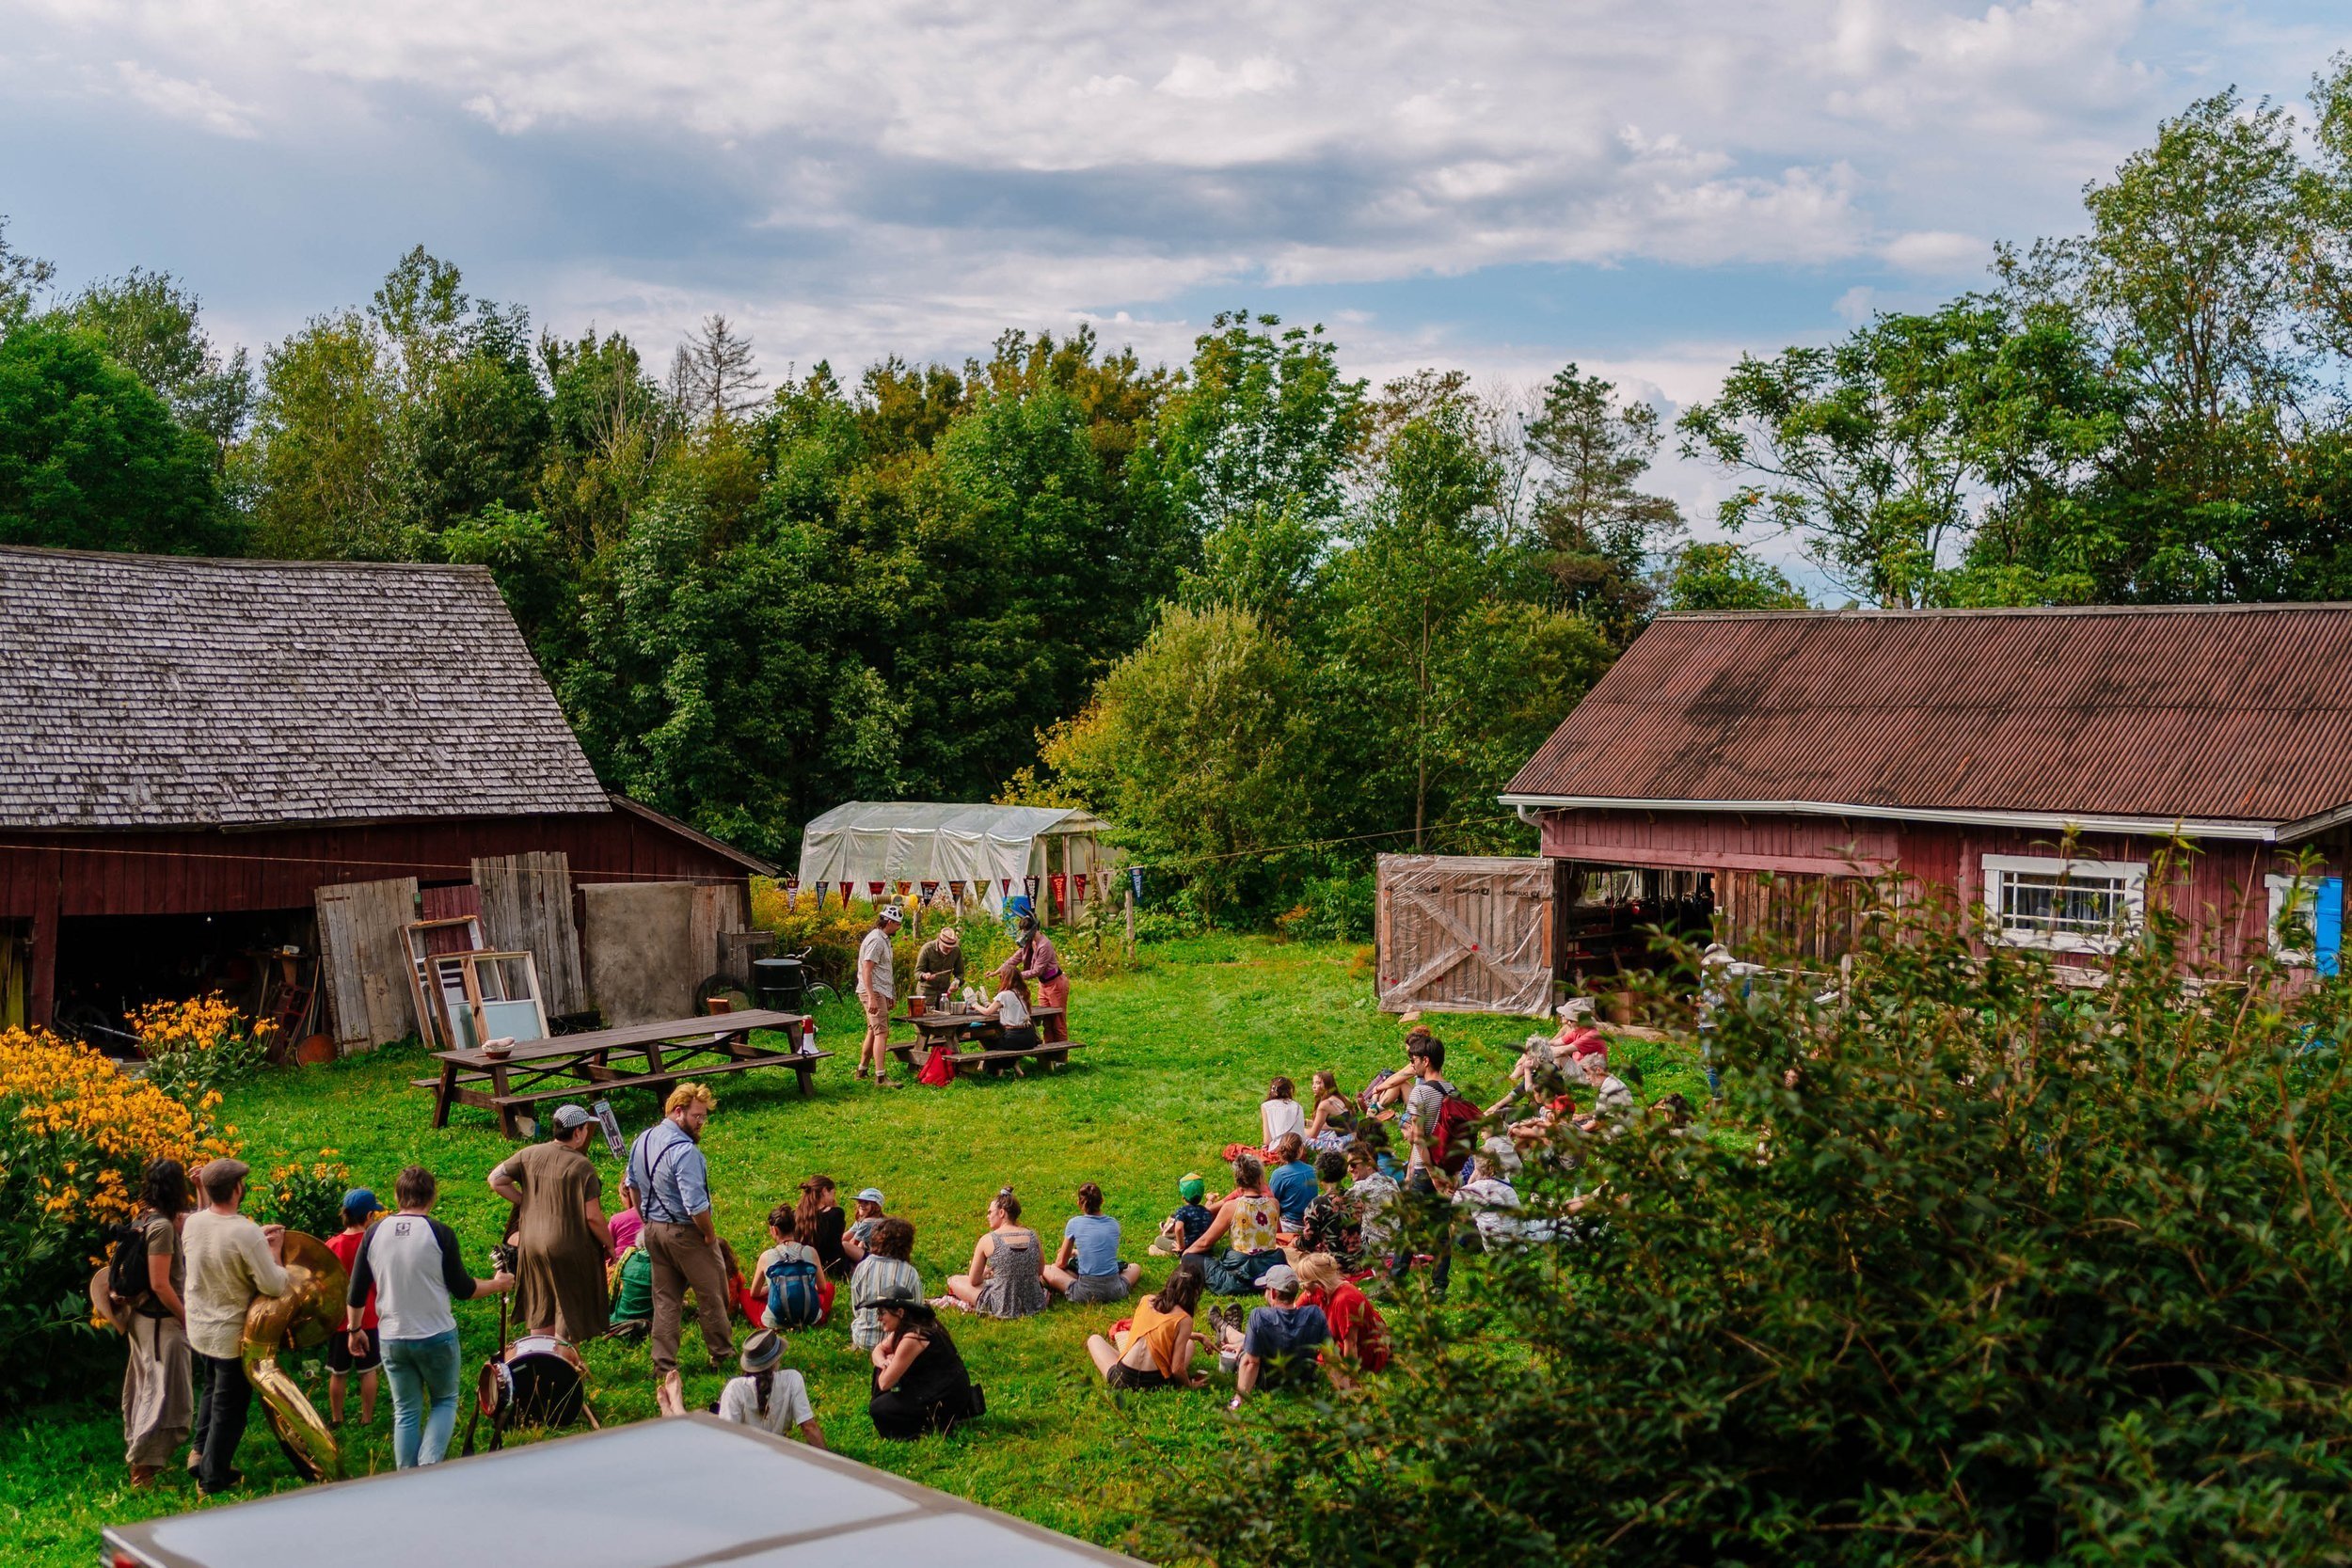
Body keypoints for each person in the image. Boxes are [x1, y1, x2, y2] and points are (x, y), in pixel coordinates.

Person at [344, 1165, 515, 1469]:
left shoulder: (374, 1233)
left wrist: (354, 1329)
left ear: (398, 1197)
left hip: (393, 1336)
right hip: (435, 1334)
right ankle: (429, 1467)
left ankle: (406, 1475)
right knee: (444, 1401)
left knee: (406, 1411)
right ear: (432, 1197)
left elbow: (356, 1291)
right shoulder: (439, 1233)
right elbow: (462, 1289)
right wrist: (497, 1284)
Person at [625, 1083, 733, 1417]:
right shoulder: (685, 1152)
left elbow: (631, 1185)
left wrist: (645, 1219)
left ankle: (664, 1364)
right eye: (697, 1116)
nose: (701, 1123)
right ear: (678, 1111)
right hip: (686, 1232)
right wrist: (709, 1235)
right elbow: (695, 1203)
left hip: (654, 1230)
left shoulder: (643, 1138)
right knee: (712, 1293)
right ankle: (722, 1354)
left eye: (704, 1117)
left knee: (665, 1300)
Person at [183, 1157, 289, 1495]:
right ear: (237, 1189)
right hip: (231, 1335)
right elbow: (274, 1286)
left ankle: (199, 1454)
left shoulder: (194, 1223)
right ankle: (212, 1479)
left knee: (212, 1391)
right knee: (230, 1409)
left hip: (200, 1328)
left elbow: (219, 1240)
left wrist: (257, 1239)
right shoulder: (245, 1232)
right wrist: (274, 1252)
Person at [487, 1103, 612, 1342]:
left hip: (530, 1243)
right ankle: (561, 1361)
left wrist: (527, 1203)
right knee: (568, 1306)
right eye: (585, 1129)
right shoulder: (582, 1166)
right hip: (567, 1247)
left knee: (540, 1303)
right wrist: (610, 1244)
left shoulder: (529, 1153)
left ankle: (539, 1358)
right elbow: (592, 1216)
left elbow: (496, 1180)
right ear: (578, 1132)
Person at [117, 1158, 196, 1488]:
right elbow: (161, 1283)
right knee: (165, 1397)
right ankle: (143, 1469)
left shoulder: (145, 1218)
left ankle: (148, 1462)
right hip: (161, 1324)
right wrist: (186, 1318)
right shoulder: (161, 1226)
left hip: (143, 1321)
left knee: (147, 1389)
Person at [1213, 1263, 1327, 1410]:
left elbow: (1251, 1363)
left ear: (1273, 1292)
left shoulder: (1260, 1316)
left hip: (1267, 1382)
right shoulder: (1315, 1315)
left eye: (1266, 1289)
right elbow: (1331, 1357)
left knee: (1244, 1352)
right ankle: (1227, 1328)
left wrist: (1238, 1400)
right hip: (1302, 1382)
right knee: (1246, 1342)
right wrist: (1346, 1392)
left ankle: (1225, 1328)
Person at [868, 1299, 977, 1438]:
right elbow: (878, 1349)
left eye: (882, 1313)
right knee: (882, 1373)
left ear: (900, 1313)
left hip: (945, 1396)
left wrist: (889, 1362)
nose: (879, 1318)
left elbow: (884, 1383)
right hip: (938, 1388)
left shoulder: (913, 1337)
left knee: (878, 1409)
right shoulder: (914, 1325)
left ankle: (925, 1428)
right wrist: (884, 1361)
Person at [1087, 1268, 1208, 1391]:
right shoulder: (1184, 1319)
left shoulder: (1146, 1300)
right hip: (1155, 1383)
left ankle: (1127, 1361)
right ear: (1195, 1293)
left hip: (1123, 1379)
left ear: (1169, 1283)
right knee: (1190, 1345)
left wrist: (1196, 1335)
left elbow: (1160, 1331)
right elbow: (1177, 1369)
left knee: (1094, 1339)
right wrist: (1189, 1385)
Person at [1183, 1154, 1284, 1295]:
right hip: (1268, 1267)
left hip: (1239, 1273)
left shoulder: (1232, 1207)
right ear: (1260, 1178)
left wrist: (1186, 1253)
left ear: (1238, 1183)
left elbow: (1206, 1242)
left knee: (1190, 1258)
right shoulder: (1274, 1204)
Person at [323, 1188, 382, 1430]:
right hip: (368, 1319)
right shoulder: (373, 1243)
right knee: (368, 1371)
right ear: (368, 1216)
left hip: (339, 1319)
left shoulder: (332, 1244)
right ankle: (366, 1418)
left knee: (338, 1373)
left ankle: (337, 1418)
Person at [944, 1189, 1046, 1319]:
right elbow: (1040, 1271)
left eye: (990, 1212)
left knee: (954, 1280)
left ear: (1002, 1212)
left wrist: (985, 1274)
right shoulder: (1033, 1235)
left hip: (1002, 1306)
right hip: (1034, 1303)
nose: (988, 1216)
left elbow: (974, 1281)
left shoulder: (987, 1239)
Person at [713, 1328, 826, 1446]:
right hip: (778, 1456)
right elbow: (809, 1428)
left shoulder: (735, 1388)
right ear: (776, 1361)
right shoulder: (792, 1379)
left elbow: (727, 1437)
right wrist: (827, 1461)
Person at [1293, 1251, 1389, 1386]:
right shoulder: (1317, 1291)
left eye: (1304, 1281)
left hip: (1363, 1352)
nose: (1301, 1286)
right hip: (1339, 1346)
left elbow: (1352, 1344)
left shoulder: (1345, 1300)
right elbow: (1293, 1311)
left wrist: (1352, 1382)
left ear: (1319, 1281)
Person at [1045, 1182, 1142, 1304]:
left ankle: (1076, 1281)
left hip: (1085, 1293)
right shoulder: (1114, 1224)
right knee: (1135, 1267)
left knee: (1048, 1269)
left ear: (1079, 1203)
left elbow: (1060, 1263)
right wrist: (1076, 1252)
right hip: (1115, 1290)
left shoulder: (1074, 1223)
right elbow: (1101, 1250)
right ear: (1102, 1201)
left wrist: (1066, 1256)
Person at [849, 1216, 924, 1351]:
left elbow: (857, 1306)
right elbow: (917, 1311)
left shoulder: (862, 1266)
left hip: (863, 1337)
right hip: (897, 1342)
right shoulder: (909, 1272)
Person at [755, 1204, 833, 1329]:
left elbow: (755, 1293)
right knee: (830, 1287)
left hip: (777, 1319)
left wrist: (772, 1287)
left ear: (774, 1230)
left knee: (744, 1294)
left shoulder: (766, 1256)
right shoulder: (810, 1252)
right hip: (810, 1317)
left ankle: (776, 1323)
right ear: (794, 1227)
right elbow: (822, 1288)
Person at [856, 904, 906, 1086]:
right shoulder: (876, 940)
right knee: (882, 1032)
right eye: (898, 925)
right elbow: (867, 968)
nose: (899, 928)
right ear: (890, 922)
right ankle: (880, 1077)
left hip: (880, 991)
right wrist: (871, 996)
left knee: (873, 1030)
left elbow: (884, 970)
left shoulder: (883, 939)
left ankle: (862, 1070)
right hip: (873, 990)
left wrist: (889, 994)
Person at [1289, 1150, 1361, 1267]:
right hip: (1356, 1261)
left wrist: (1294, 1243)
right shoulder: (1356, 1198)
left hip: (1329, 1264)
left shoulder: (1318, 1203)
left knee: (1287, 1253)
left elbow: (1309, 1240)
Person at [1344, 1145, 1402, 1272]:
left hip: (1376, 1252)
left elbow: (1330, 1208)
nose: (1349, 1169)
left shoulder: (1360, 1189)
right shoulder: (1390, 1181)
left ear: (1369, 1164)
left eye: (1353, 1164)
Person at [1451, 1154, 1526, 1250]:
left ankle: (1469, 1243)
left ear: (1476, 1170)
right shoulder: (1506, 1182)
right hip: (1518, 1243)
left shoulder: (1473, 1188)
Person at [1016, 915, 1070, 1041]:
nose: (1024, 933)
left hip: (1056, 984)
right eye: (1022, 930)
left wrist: (1016, 975)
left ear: (1034, 929)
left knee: (1058, 1021)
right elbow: (1015, 958)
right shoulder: (1030, 943)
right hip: (1043, 985)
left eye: (1026, 930)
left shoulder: (1044, 945)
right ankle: (1049, 1055)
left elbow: (1037, 971)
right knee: (1047, 1021)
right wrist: (997, 971)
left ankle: (1061, 1057)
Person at [974, 964, 1041, 1055]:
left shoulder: (1004, 995)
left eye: (1001, 977)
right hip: (1030, 1037)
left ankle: (998, 1067)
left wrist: (974, 1004)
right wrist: (987, 1004)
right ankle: (1014, 1066)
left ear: (1005, 978)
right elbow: (1008, 1007)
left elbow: (988, 1012)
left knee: (988, 1042)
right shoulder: (1022, 992)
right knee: (998, 1039)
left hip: (1016, 1038)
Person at [796, 1175, 852, 1279]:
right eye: (833, 1194)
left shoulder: (797, 1215)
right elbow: (836, 1241)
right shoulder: (836, 1214)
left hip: (807, 1269)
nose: (833, 1198)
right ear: (824, 1191)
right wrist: (835, 1209)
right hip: (835, 1269)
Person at [1148, 1173, 1216, 1258]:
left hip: (1188, 1249)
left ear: (1183, 1197)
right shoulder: (1206, 1212)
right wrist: (1210, 1200)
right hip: (1204, 1248)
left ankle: (1172, 1252)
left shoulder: (1182, 1211)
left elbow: (1179, 1228)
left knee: (1158, 1240)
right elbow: (1208, 1207)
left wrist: (1181, 1246)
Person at [1265, 1134, 1318, 1231]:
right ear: (1301, 1150)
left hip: (1288, 1225)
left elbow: (1271, 1202)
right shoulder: (1312, 1171)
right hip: (1311, 1222)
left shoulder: (1279, 1174)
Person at [1576, 1051, 1637, 1134]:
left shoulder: (1610, 1090)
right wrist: (1583, 1116)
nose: (1587, 1078)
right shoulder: (1611, 1083)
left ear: (1598, 1070)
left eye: (1588, 1073)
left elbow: (1597, 1124)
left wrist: (1576, 1131)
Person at [1303, 1069, 1355, 1152]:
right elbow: (1337, 1126)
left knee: (1300, 1139)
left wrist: (1297, 1129)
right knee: (1323, 1133)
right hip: (1354, 1137)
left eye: (1318, 1083)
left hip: (1343, 1144)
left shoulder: (1324, 1105)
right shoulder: (1343, 1098)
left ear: (1327, 1085)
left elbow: (1313, 1135)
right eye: (1313, 1083)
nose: (1314, 1086)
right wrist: (1307, 1122)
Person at [913, 926, 964, 1006]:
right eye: (946, 947)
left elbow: (960, 973)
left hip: (944, 996)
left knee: (944, 1018)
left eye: (951, 947)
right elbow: (917, 972)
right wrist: (924, 975)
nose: (949, 950)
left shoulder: (956, 951)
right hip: (926, 995)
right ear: (939, 941)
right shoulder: (927, 949)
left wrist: (956, 982)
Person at [1260, 1076, 1307, 1148]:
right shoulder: (1298, 1106)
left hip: (1277, 1150)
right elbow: (1302, 1137)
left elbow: (1267, 1140)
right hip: (1297, 1150)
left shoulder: (1266, 1106)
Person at [843, 1187, 888, 1261]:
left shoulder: (869, 1222)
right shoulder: (862, 1219)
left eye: (866, 1203)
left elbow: (853, 1243)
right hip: (871, 1254)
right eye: (860, 1201)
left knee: (845, 1245)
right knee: (860, 1243)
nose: (861, 1205)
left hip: (877, 1258)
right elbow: (844, 1237)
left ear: (876, 1207)